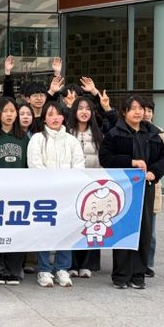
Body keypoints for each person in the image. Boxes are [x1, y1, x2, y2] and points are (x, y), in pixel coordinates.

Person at [99, 95, 164, 289]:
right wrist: (131, 162)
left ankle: (138, 275)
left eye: (141, 108)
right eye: (133, 108)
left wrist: (154, 172)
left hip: (146, 188)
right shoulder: (114, 134)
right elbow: (105, 158)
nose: (138, 112)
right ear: (124, 112)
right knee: (123, 229)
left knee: (144, 230)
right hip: (123, 189)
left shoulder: (153, 133)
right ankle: (121, 275)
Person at [28, 101, 85, 288]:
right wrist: (51, 184)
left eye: (58, 114)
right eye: (50, 114)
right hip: (45, 194)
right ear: (44, 118)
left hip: (67, 195)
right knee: (45, 231)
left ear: (63, 117)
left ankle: (62, 268)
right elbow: (35, 164)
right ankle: (44, 269)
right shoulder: (37, 139)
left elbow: (79, 165)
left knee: (66, 231)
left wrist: (67, 184)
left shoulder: (71, 140)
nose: (54, 118)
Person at [0, 97, 29, 286]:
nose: (9, 114)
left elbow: (27, 165)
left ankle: (14, 270)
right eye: (5, 111)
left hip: (19, 192)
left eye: (12, 111)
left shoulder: (23, 137)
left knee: (17, 230)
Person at [66, 96, 104, 278]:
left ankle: (88, 264)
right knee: (72, 225)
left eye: (87, 108)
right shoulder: (67, 132)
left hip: (93, 185)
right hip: (72, 185)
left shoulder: (99, 134)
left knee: (92, 224)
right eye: (80, 108)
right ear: (74, 111)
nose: (84, 112)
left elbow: (103, 160)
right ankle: (72, 264)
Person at [142, 98, 164, 278]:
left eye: (150, 111)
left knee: (151, 230)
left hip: (153, 184)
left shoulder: (159, 133)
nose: (147, 114)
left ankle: (147, 264)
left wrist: (153, 172)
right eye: (144, 110)